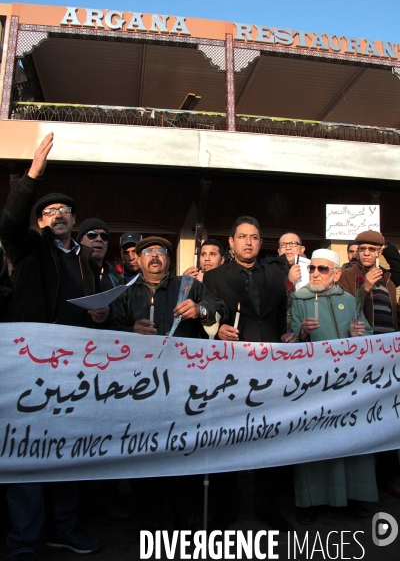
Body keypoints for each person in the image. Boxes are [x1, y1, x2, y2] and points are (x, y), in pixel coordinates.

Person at [0, 133, 105, 559]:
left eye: (65, 210)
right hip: (33, 368)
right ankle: (24, 541)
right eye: (50, 210)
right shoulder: (29, 248)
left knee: (67, 451)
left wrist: (99, 315)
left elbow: (92, 306)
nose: (58, 213)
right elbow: (8, 224)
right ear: (40, 221)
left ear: (74, 220)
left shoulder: (87, 260)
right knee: (28, 449)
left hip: (76, 373)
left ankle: (64, 527)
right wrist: (31, 177)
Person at [109, 235, 228, 531]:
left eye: (160, 251)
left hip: (183, 385)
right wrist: (129, 330)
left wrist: (199, 311)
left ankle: (186, 516)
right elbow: (108, 331)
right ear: (138, 258)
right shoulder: (126, 292)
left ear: (168, 258)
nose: (154, 256)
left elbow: (220, 309)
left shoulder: (187, 287)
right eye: (147, 251)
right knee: (144, 452)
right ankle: (150, 517)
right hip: (140, 387)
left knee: (182, 449)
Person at [203, 216, 291, 531]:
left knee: (269, 440)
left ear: (260, 241)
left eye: (254, 236)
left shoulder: (275, 275)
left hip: (270, 369)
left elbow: (282, 316)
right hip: (230, 370)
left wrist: (287, 335)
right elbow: (205, 316)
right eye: (242, 236)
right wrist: (216, 329)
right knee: (228, 438)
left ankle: (268, 508)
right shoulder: (213, 277)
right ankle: (226, 510)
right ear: (231, 241)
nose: (249, 242)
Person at [291, 248, 377, 524]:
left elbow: (369, 335)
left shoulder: (351, 300)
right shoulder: (299, 299)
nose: (315, 274)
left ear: (337, 274)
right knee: (314, 441)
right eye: (312, 269)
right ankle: (313, 499)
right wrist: (302, 332)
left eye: (323, 269)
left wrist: (360, 334)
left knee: (350, 440)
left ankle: (352, 496)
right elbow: (288, 337)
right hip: (313, 385)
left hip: (348, 385)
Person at [338, 230, 400, 497]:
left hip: (390, 357)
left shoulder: (388, 278)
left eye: (372, 249)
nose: (366, 253)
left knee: (388, 416)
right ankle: (362, 480)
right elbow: (346, 313)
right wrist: (364, 288)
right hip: (363, 357)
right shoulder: (347, 277)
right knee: (364, 416)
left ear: (379, 251)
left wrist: (386, 252)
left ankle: (387, 475)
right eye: (362, 248)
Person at [77, 218, 120, 291]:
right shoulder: (71, 271)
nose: (99, 239)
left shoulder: (114, 278)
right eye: (92, 235)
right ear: (80, 241)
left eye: (104, 236)